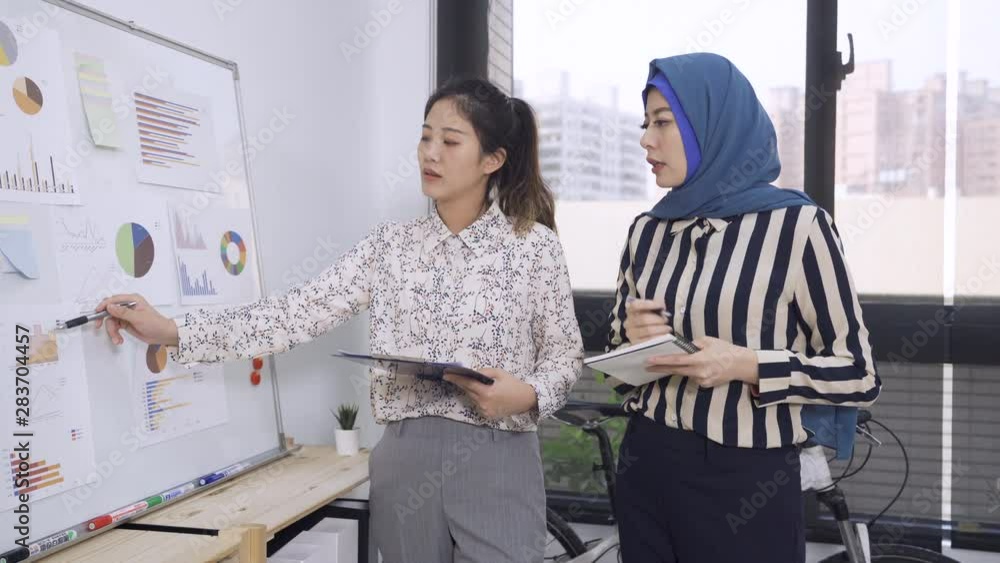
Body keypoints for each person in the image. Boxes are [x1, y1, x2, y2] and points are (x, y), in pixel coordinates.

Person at [95, 77, 583, 563]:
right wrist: (175, 330)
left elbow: (565, 356)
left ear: (493, 160)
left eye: (450, 141)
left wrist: (528, 394)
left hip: (498, 457)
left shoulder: (533, 247)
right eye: (425, 135)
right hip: (406, 458)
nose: (429, 153)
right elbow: (294, 313)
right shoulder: (390, 246)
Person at [606, 53, 882, 562]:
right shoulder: (647, 232)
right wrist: (631, 339)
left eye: (663, 122)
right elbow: (621, 369)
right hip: (646, 461)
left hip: (745, 479)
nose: (646, 139)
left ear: (714, 126)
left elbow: (859, 375)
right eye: (645, 124)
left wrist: (746, 364)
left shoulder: (798, 228)